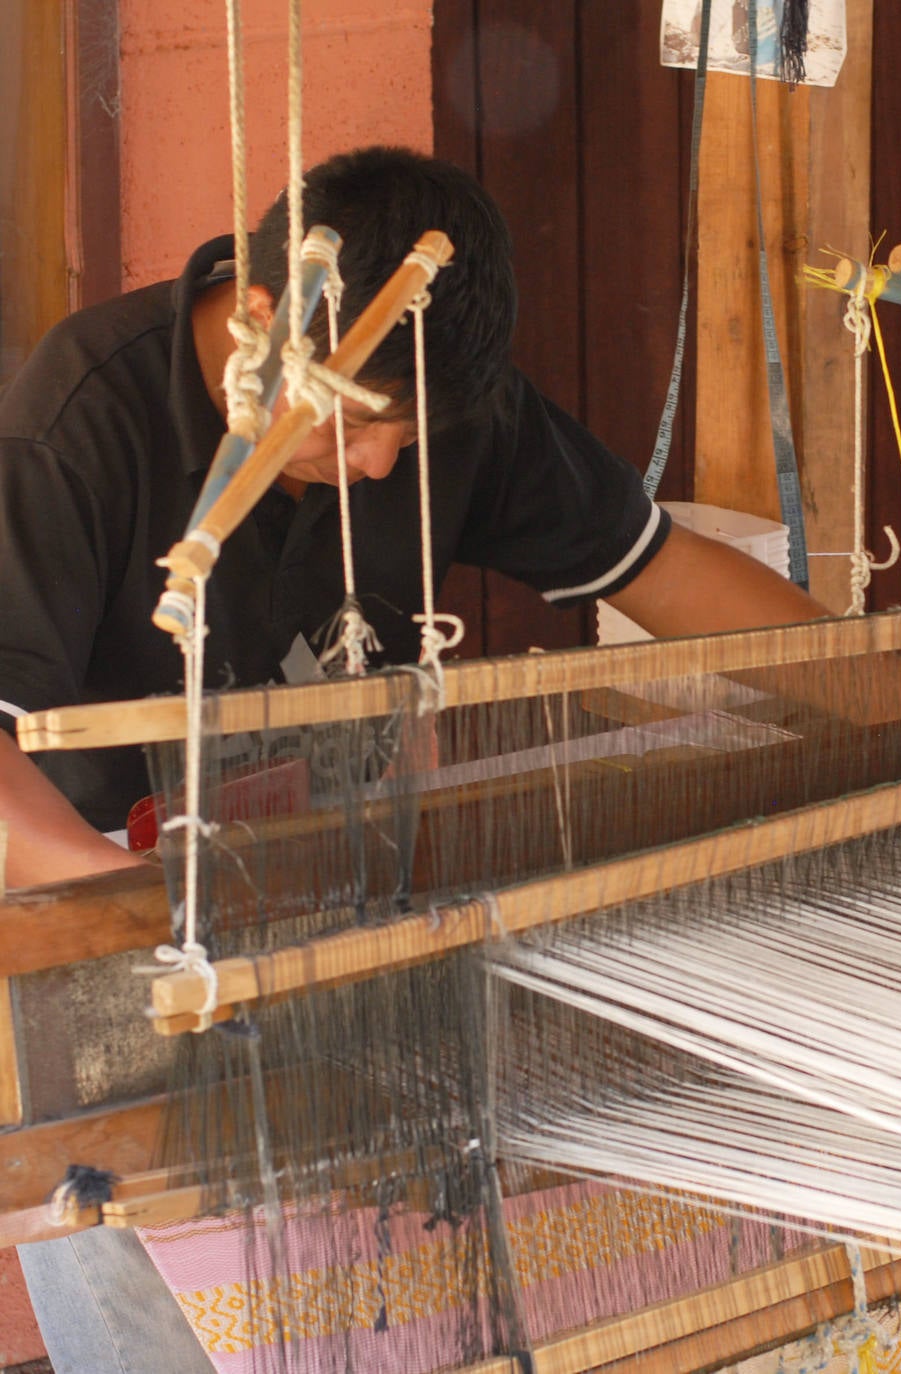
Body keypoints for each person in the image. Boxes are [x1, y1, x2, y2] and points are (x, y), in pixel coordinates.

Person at [2, 146, 825, 1372]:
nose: (385, 466)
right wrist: (139, 923)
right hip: (120, 952)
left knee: (389, 1313)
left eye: (412, 432)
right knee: (163, 1326)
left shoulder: (444, 396)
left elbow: (663, 572)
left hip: (354, 931)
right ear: (264, 321)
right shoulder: (84, 420)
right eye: (359, 421)